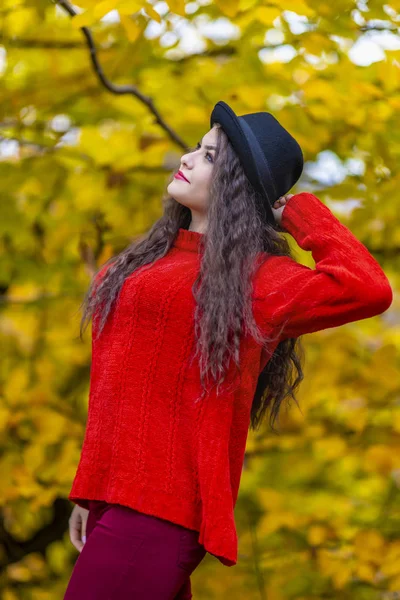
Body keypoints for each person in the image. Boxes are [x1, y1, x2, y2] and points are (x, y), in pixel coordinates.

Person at [64, 101, 393, 599]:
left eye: (211, 156)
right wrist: (90, 492)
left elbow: (367, 290)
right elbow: (113, 390)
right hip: (117, 503)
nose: (189, 157)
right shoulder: (140, 261)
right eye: (196, 146)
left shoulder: (257, 282)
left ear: (239, 188)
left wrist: (300, 214)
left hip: (160, 512)